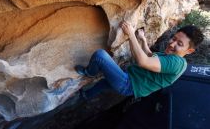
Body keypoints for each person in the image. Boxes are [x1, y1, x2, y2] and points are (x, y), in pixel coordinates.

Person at [75, 22, 204, 100]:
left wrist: (131, 34)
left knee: (100, 56)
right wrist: (142, 40)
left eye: (179, 43)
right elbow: (150, 55)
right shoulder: (171, 57)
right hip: (130, 78)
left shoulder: (177, 63)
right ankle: (85, 96)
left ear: (189, 51)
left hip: (128, 84)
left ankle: (90, 72)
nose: (172, 44)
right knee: (104, 82)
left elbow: (144, 61)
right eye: (174, 38)